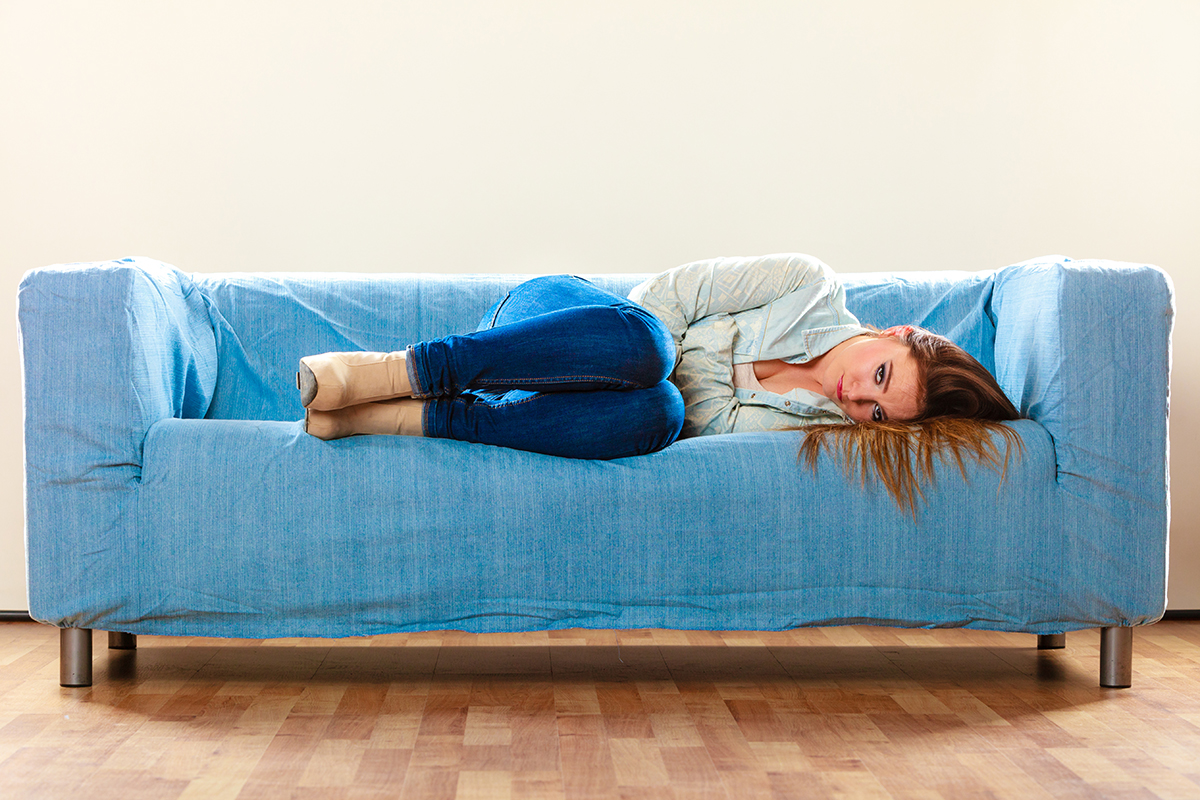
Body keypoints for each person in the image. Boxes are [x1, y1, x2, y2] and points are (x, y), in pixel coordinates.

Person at [298, 254, 1020, 504]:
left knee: (660, 416)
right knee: (646, 347)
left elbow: (698, 424)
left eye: (879, 414)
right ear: (895, 333)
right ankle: (406, 368)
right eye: (880, 374)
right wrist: (653, 358)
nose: (858, 399)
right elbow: (661, 298)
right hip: (565, 317)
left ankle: (400, 414)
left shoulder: (820, 430)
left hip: (585, 406)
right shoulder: (806, 284)